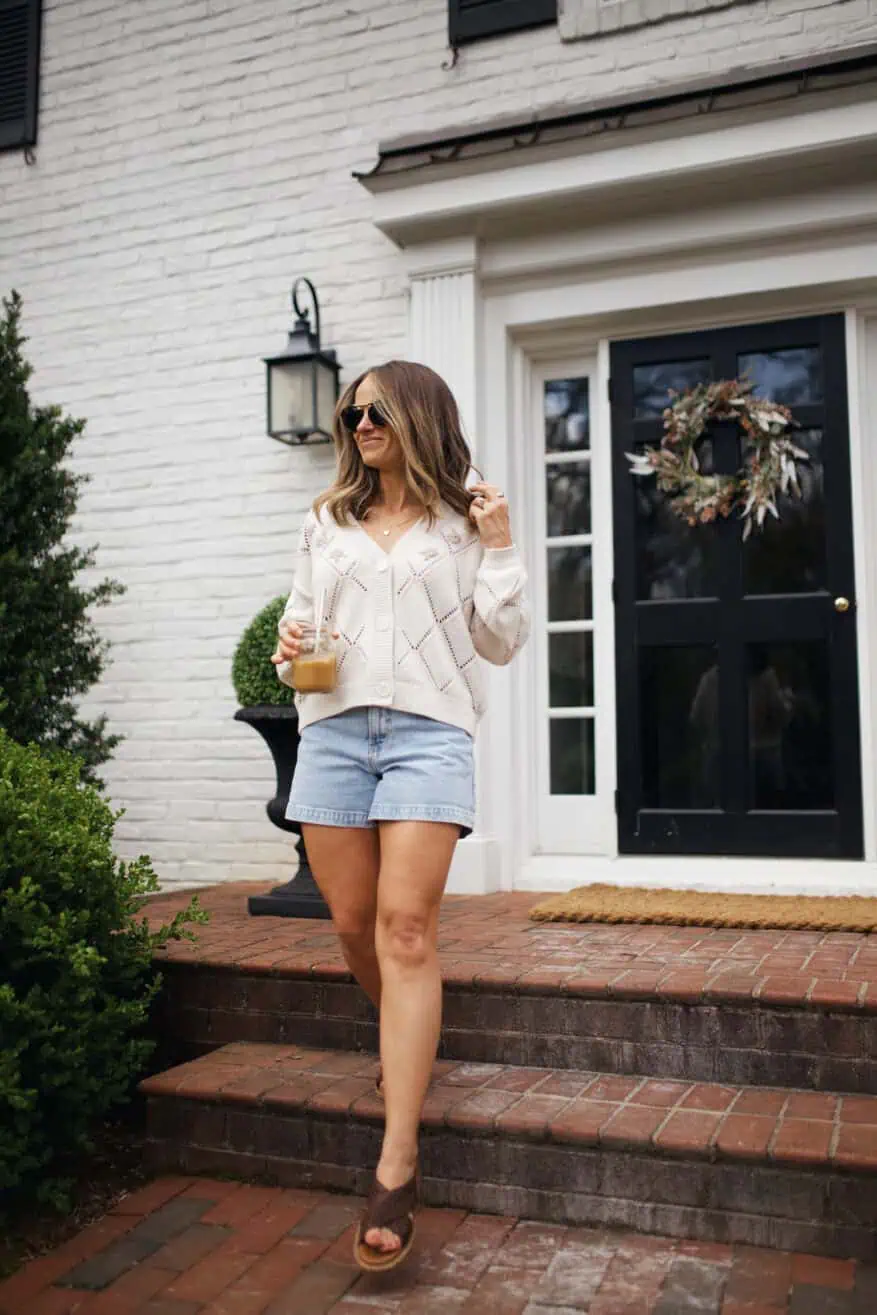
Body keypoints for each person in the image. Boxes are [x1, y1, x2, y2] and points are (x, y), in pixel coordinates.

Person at [270, 359, 529, 1272]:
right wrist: (289, 645)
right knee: (349, 926)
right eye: (350, 410)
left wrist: (499, 548)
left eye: (374, 407)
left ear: (415, 414)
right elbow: (295, 631)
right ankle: (403, 1035)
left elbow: (499, 642)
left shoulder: (465, 523)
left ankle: (397, 1159)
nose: (358, 420)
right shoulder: (326, 520)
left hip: (429, 733)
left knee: (406, 931)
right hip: (334, 730)